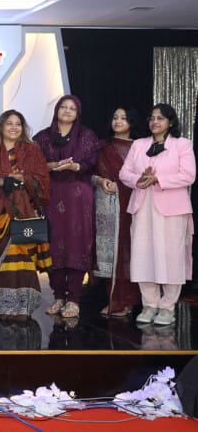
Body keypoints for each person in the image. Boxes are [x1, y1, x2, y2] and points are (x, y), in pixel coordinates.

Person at [119, 104, 195, 326]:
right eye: (152, 118)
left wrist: (158, 179)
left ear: (170, 122)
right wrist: (140, 179)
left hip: (172, 209)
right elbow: (124, 173)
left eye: (160, 118)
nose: (155, 122)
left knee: (171, 257)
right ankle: (150, 304)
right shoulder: (139, 144)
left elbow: (189, 175)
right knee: (143, 255)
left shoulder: (182, 144)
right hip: (143, 207)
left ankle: (167, 307)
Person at [0, 110, 52, 321]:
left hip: (23, 215)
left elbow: (42, 179)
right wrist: (4, 181)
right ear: (1, 126)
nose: (14, 127)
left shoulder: (32, 151)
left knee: (23, 263)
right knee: (0, 263)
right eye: (9, 123)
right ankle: (1, 306)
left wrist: (23, 179)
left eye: (18, 124)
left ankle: (24, 308)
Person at [33, 95, 101, 319]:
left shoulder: (87, 136)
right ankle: (58, 296)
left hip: (78, 197)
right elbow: (31, 164)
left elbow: (92, 162)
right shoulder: (42, 137)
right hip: (50, 196)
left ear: (77, 113)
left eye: (72, 108)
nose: (67, 111)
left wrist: (76, 166)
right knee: (52, 244)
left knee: (77, 244)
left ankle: (74, 299)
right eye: (64, 107)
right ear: (57, 110)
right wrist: (49, 165)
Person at [91, 106, 141, 318]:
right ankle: (114, 300)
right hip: (106, 208)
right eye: (115, 117)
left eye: (124, 118)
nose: (118, 121)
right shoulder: (103, 147)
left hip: (133, 205)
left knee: (130, 251)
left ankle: (128, 301)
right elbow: (89, 175)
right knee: (110, 255)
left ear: (132, 122)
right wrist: (101, 181)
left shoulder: (140, 147)